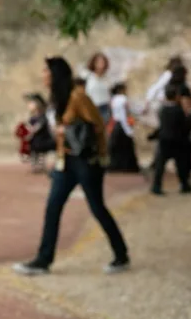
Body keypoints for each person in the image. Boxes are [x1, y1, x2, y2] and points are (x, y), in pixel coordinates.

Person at [13, 56, 129, 276]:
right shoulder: (57, 98)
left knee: (97, 207)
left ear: (56, 74)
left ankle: (121, 254)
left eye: (46, 71)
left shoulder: (78, 96)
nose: (43, 75)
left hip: (86, 161)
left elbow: (97, 125)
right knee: (53, 207)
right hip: (65, 161)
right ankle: (43, 260)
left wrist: (99, 154)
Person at [150, 85, 191, 195]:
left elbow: (162, 125)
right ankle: (184, 185)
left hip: (164, 140)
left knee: (160, 165)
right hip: (177, 141)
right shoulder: (178, 110)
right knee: (180, 164)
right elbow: (184, 126)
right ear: (176, 96)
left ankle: (156, 186)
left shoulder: (162, 109)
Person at [107, 83, 140, 173]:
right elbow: (124, 114)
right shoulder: (123, 99)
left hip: (116, 125)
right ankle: (126, 167)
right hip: (123, 125)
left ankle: (116, 166)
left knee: (116, 148)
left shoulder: (113, 99)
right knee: (126, 148)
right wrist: (128, 129)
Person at [25, 94, 55, 173]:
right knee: (33, 151)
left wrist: (31, 131)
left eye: (32, 103)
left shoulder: (42, 117)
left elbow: (38, 127)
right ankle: (35, 165)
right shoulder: (32, 117)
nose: (29, 105)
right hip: (34, 140)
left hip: (42, 140)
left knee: (40, 152)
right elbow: (28, 126)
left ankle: (41, 166)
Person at [82, 52, 112, 124]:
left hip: (105, 108)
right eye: (98, 62)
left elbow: (108, 94)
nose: (101, 64)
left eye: (103, 62)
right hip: (91, 107)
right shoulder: (87, 76)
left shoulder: (106, 78)